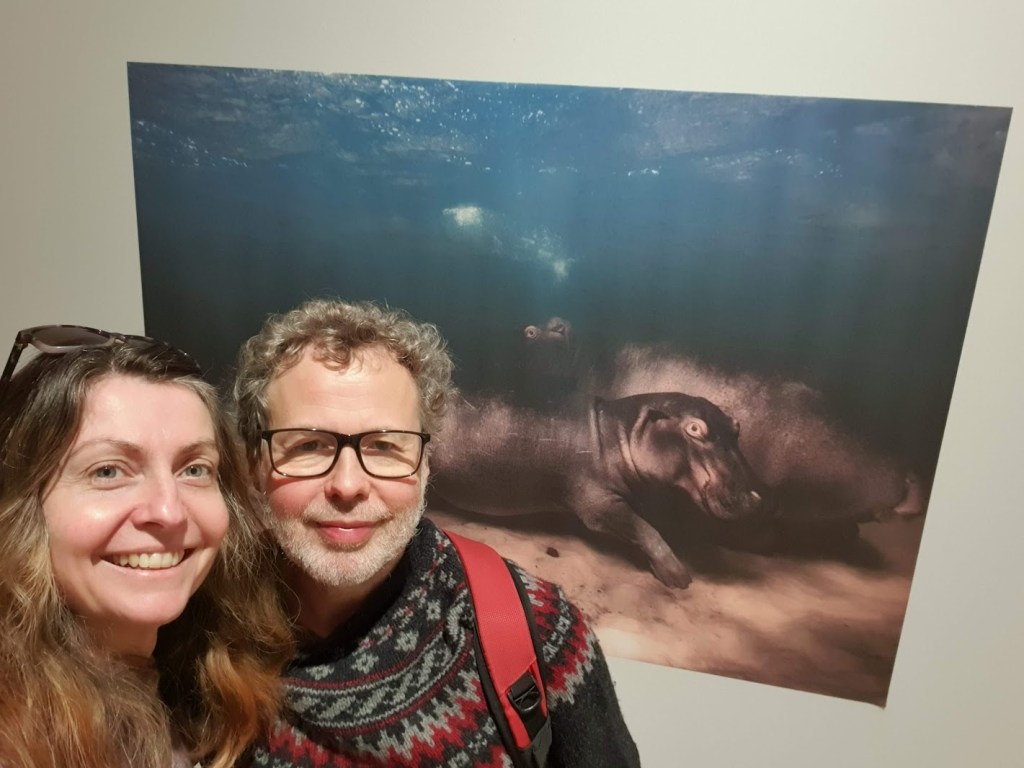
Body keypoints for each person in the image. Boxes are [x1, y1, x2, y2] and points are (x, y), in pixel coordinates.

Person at [232, 299, 641, 767]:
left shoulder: (541, 633)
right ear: (255, 463)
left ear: (426, 464)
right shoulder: (206, 625)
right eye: (308, 445)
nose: (347, 485)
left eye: (384, 445)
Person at [0, 325, 293, 768]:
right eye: (107, 471)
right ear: (21, 502)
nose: (169, 512)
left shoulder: (205, 688)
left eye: (194, 469)